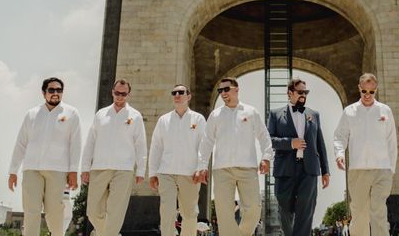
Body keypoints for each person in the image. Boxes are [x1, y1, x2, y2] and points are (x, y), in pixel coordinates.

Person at [195, 78, 273, 236]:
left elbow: (264, 136)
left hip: (248, 169)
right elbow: (206, 142)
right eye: (220, 90)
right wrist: (202, 166)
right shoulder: (215, 115)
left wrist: (266, 157)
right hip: (222, 170)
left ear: (236, 89)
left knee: (254, 210)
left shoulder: (251, 112)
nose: (223, 93)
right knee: (224, 215)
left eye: (226, 89)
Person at [8, 77, 82, 236]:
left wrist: (73, 171)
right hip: (31, 169)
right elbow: (21, 143)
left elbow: (75, 145)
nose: (55, 93)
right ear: (44, 93)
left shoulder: (72, 113)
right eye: (51, 90)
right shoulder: (32, 114)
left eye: (59, 90)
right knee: (31, 211)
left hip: (58, 170)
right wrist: (13, 171)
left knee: (55, 212)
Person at [333, 73, 397, 236]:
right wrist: (339, 154)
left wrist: (391, 169)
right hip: (358, 170)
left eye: (371, 92)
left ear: (376, 90)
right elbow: (340, 136)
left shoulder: (385, 111)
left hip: (382, 170)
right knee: (360, 214)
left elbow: (392, 141)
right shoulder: (349, 112)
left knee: (379, 212)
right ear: (359, 89)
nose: (368, 95)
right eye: (364, 92)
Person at [81, 79, 147, 236]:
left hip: (124, 169)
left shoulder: (135, 116)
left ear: (128, 95)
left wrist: (141, 170)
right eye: (117, 93)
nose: (120, 97)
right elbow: (90, 142)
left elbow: (141, 145)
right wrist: (84, 168)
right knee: (92, 211)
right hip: (99, 167)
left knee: (115, 211)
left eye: (123, 94)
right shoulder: (101, 114)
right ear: (112, 92)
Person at [267, 77, 330, 236]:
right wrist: (290, 143)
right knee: (284, 208)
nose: (303, 95)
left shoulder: (314, 114)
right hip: (285, 169)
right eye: (300, 92)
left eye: (305, 92)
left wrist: (325, 171)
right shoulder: (275, 114)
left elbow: (319, 144)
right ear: (290, 93)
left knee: (306, 208)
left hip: (309, 169)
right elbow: (269, 140)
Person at [149, 84, 206, 236]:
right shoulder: (163, 120)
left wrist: (201, 168)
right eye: (174, 92)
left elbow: (204, 147)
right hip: (166, 173)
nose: (177, 95)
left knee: (189, 213)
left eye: (181, 92)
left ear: (189, 96)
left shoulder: (198, 119)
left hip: (190, 174)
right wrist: (153, 173)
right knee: (167, 211)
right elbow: (156, 147)